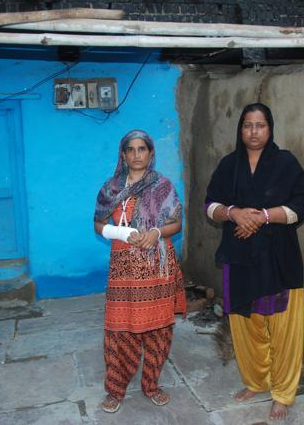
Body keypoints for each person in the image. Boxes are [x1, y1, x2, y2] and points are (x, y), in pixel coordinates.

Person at [205, 103, 304, 420]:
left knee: (283, 329)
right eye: (248, 125)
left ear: (270, 128)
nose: (254, 131)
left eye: (260, 125)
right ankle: (256, 380)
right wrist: (234, 213)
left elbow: (301, 206)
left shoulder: (286, 163)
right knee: (246, 325)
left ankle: (283, 392)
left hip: (279, 259)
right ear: (240, 129)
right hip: (239, 259)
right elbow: (210, 204)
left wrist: (264, 217)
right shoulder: (229, 165)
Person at [94, 129, 186, 413]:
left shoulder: (163, 186)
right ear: (123, 155)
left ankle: (152, 384)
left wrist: (156, 232)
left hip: (156, 267)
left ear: (150, 153)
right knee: (120, 328)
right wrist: (122, 233)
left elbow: (177, 224)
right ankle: (115, 389)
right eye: (131, 150)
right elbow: (98, 224)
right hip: (123, 268)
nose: (136, 155)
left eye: (141, 149)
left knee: (157, 329)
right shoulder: (110, 188)